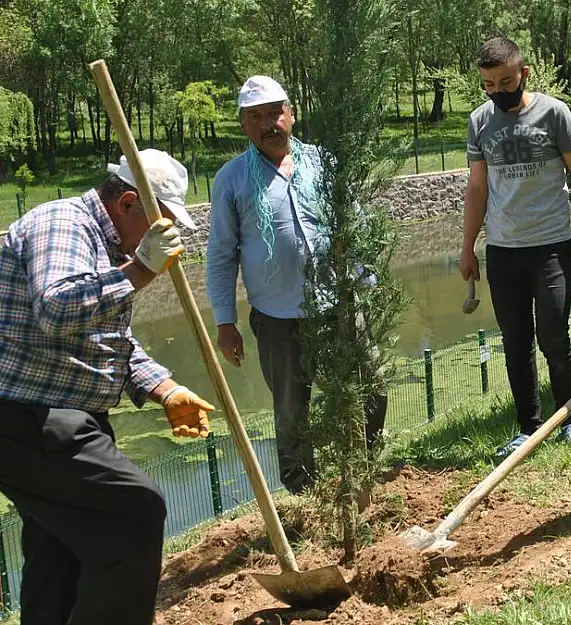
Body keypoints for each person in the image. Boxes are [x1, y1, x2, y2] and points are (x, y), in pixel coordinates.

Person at [0, 150, 215, 625]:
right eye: (158, 223)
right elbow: (56, 308)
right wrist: (139, 270)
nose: (163, 240)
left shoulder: (104, 246)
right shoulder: (63, 224)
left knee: (61, 550)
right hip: (29, 417)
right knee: (134, 512)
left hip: (53, 417)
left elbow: (104, 339)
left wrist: (163, 388)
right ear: (128, 204)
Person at [207, 75, 387, 495]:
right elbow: (220, 255)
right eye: (256, 117)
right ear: (244, 124)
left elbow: (353, 226)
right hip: (277, 317)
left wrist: (369, 282)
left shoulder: (323, 163)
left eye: (274, 113)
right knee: (291, 409)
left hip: (340, 303)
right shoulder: (231, 179)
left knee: (371, 384)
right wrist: (224, 321)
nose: (269, 124)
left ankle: (362, 468)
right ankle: (303, 490)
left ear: (290, 114)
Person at [459, 38, 571, 458]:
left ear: (524, 74)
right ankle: (529, 428)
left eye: (505, 80)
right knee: (516, 340)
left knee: (554, 335)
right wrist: (467, 248)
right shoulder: (479, 122)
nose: (498, 90)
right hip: (503, 251)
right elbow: (477, 189)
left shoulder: (554, 113)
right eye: (489, 83)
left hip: (551, 246)